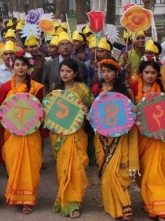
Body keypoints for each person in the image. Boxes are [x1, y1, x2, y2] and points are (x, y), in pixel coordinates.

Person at [91, 57, 138, 221]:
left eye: (109, 71)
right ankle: (112, 205)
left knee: (120, 170)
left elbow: (132, 111)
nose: (106, 74)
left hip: (120, 136)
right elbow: (94, 111)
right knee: (106, 171)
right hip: (102, 137)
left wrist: (134, 110)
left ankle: (125, 206)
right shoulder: (97, 88)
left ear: (117, 72)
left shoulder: (125, 89)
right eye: (103, 71)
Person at [0, 53, 45, 214]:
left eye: (23, 65)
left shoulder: (36, 87)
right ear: (12, 66)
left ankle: (28, 200)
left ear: (28, 67)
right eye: (17, 65)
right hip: (11, 133)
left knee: (30, 165)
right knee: (13, 163)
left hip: (31, 132)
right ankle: (15, 195)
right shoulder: (5, 87)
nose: (20, 68)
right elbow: (0, 109)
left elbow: (40, 111)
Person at [128, 59, 165, 221]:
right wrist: (133, 108)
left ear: (157, 74)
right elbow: (125, 109)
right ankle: (150, 203)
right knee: (144, 172)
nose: (150, 75)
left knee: (157, 171)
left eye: (153, 73)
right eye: (146, 72)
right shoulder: (132, 89)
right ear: (141, 73)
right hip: (140, 137)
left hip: (159, 138)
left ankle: (162, 209)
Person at [50, 59, 93, 218]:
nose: (65, 74)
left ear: (75, 73)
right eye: (62, 71)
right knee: (62, 169)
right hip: (59, 135)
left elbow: (93, 110)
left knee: (76, 167)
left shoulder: (83, 89)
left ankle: (74, 203)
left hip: (77, 134)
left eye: (68, 71)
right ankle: (64, 200)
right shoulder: (55, 88)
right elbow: (49, 111)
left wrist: (86, 109)